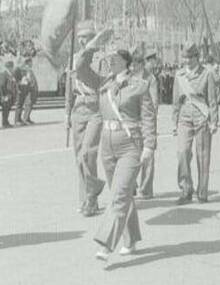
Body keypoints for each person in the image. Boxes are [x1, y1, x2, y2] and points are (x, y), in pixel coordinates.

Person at [74, 27, 157, 263]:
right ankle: (130, 239)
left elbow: (149, 118)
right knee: (121, 194)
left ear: (125, 62)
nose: (109, 61)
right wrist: (92, 46)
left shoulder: (140, 86)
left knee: (119, 195)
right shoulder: (103, 83)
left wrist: (149, 146)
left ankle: (105, 243)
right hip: (108, 147)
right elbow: (80, 68)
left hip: (131, 145)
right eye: (108, 58)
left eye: (114, 58)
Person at [66, 20, 105, 216]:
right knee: (79, 157)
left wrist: (90, 50)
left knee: (88, 152)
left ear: (94, 39)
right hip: (78, 107)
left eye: (86, 37)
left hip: (95, 107)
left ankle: (92, 194)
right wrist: (67, 112)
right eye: (80, 37)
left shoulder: (100, 58)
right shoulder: (74, 58)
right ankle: (88, 200)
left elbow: (94, 76)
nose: (82, 41)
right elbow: (69, 87)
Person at [172, 44, 219, 204]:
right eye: (184, 57)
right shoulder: (179, 75)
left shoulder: (207, 73)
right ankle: (186, 188)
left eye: (188, 58)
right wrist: (174, 121)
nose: (185, 61)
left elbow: (212, 100)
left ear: (196, 57)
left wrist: (214, 121)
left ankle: (202, 191)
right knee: (182, 152)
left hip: (202, 116)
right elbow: (175, 100)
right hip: (184, 117)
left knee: (203, 155)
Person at [136, 50, 161, 199]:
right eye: (131, 63)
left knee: (148, 155)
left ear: (142, 63)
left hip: (146, 120)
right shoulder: (128, 77)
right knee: (131, 154)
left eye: (136, 63)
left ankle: (146, 189)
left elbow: (154, 102)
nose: (133, 67)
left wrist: (150, 120)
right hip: (132, 119)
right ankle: (131, 186)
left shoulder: (150, 79)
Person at [16, 58, 38, 125]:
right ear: (28, 63)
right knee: (28, 104)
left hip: (32, 89)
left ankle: (27, 118)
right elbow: (28, 79)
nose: (32, 64)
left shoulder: (29, 69)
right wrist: (31, 84)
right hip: (28, 89)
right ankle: (25, 119)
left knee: (30, 104)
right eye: (31, 62)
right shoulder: (27, 70)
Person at [0, 59, 17, 128]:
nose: (12, 68)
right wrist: (3, 96)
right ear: (8, 67)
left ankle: (6, 121)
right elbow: (1, 85)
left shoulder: (11, 74)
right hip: (6, 95)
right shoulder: (4, 74)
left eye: (12, 67)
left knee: (8, 108)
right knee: (5, 109)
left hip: (10, 95)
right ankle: (4, 122)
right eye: (11, 67)